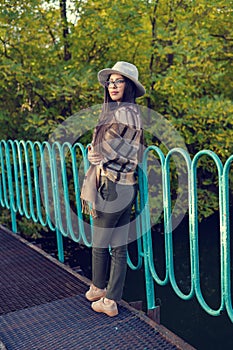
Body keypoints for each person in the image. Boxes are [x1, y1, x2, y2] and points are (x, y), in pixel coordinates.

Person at [81, 61, 146, 317]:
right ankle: (109, 298)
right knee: (118, 246)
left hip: (113, 186)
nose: (113, 85)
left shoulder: (121, 113)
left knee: (100, 242)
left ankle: (100, 290)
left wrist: (95, 155)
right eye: (111, 81)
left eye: (119, 81)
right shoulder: (130, 112)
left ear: (128, 86)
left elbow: (107, 150)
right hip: (127, 185)